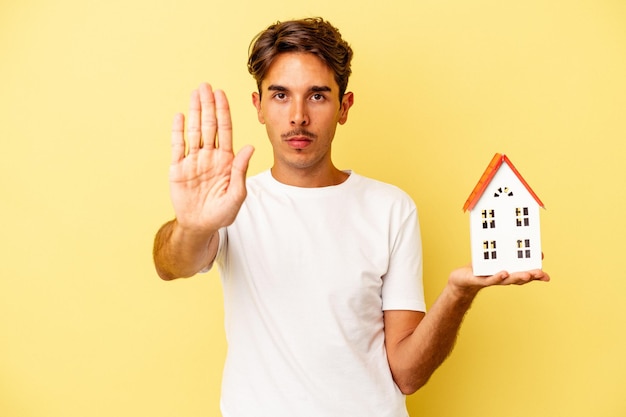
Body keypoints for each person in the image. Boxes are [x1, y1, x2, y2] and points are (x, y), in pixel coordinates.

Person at [153, 17, 549, 417]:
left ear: (344, 107)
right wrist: (194, 224)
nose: (298, 117)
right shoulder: (232, 203)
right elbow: (172, 265)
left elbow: (407, 374)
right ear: (258, 107)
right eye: (280, 95)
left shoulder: (390, 208)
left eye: (318, 96)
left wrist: (458, 294)